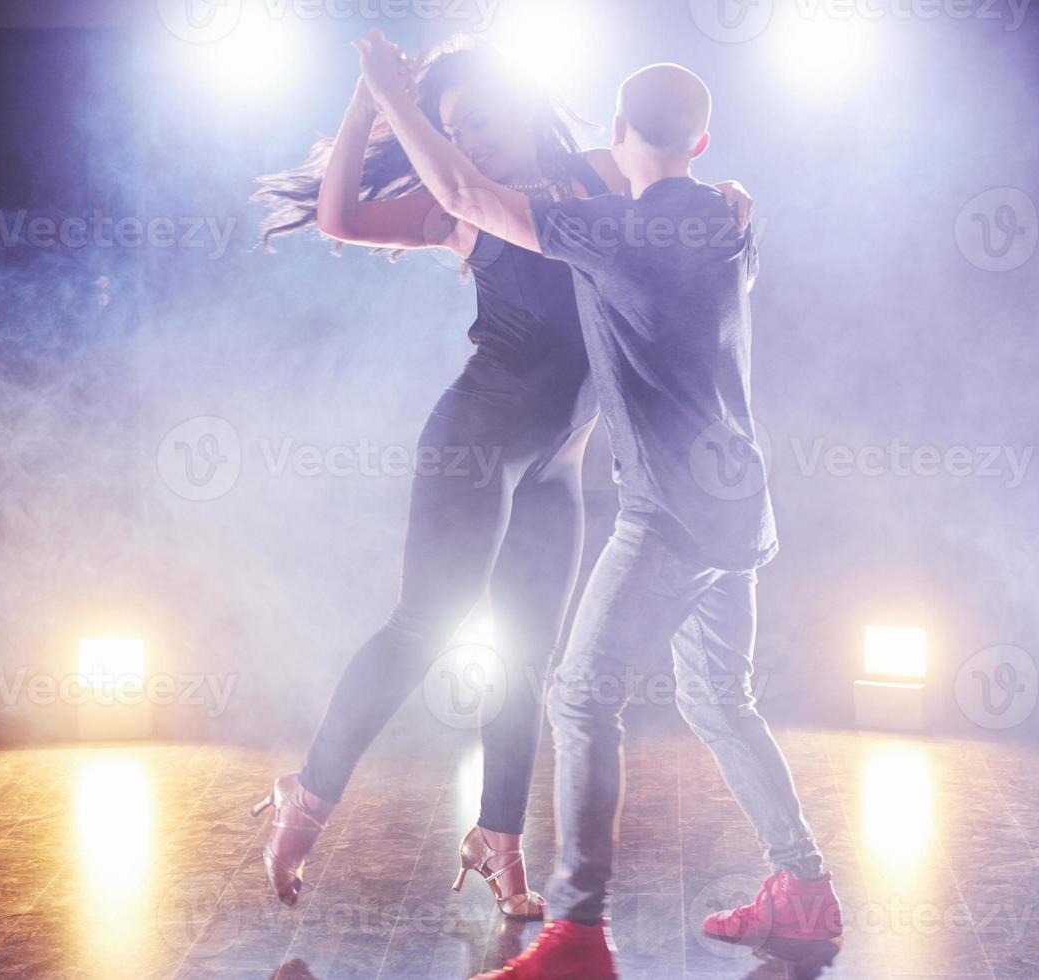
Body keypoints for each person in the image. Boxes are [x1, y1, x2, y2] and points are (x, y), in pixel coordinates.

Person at [354, 32, 841, 977]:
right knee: (721, 699)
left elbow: (460, 198)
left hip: (669, 515)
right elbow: (712, 203)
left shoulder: (606, 230)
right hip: (742, 508)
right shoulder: (733, 218)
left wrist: (387, 94)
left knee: (579, 698)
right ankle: (805, 890)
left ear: (618, 133)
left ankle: (577, 935)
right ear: (702, 145)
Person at [249, 36, 753, 922]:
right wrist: (370, 101)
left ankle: (498, 838)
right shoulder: (458, 207)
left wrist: (731, 200)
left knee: (527, 656)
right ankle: (311, 795)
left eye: (480, 117)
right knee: (427, 625)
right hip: (477, 440)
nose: (470, 139)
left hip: (560, 462)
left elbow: (677, 196)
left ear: (524, 102)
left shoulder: (604, 172)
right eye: (451, 129)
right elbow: (336, 218)